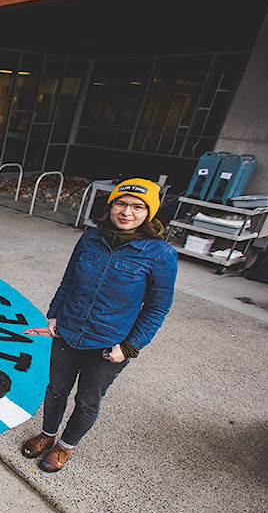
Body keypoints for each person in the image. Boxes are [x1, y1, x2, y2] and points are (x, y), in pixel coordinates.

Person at [22, 178, 177, 472]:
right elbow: (69, 281)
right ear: (111, 206)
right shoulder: (90, 239)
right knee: (56, 390)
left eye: (137, 207)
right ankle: (47, 435)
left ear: (150, 213)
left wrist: (129, 347)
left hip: (109, 344)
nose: (127, 212)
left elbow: (158, 308)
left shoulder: (160, 255)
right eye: (121, 203)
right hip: (68, 333)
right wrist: (54, 315)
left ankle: (65, 448)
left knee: (87, 400)